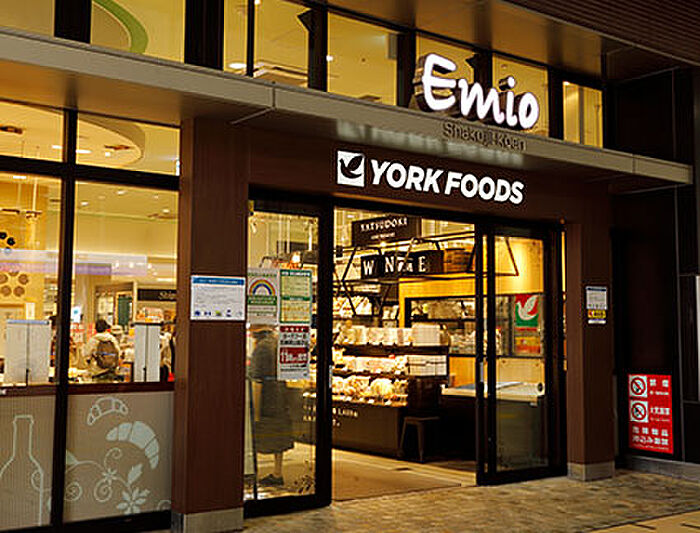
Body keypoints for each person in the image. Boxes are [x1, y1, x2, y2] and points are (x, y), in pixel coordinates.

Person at [248, 326, 294, 487]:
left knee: (256, 433)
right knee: (279, 433)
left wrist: (255, 410)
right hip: (280, 392)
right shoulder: (277, 342)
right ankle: (277, 472)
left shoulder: (261, 348)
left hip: (266, 396)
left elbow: (256, 379)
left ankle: (251, 471)